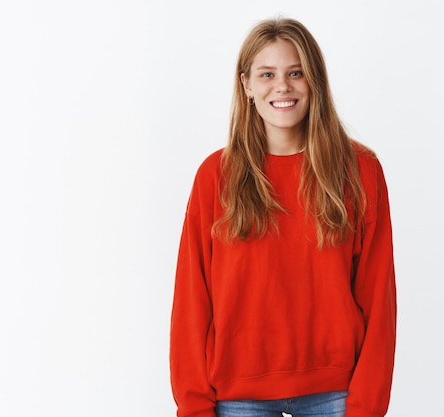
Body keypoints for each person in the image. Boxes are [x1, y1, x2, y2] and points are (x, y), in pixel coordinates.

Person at [169, 17, 396, 417]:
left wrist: (367, 406)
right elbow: (191, 301)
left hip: (337, 393)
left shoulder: (359, 170)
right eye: (267, 74)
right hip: (237, 395)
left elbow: (379, 299)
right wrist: (194, 407)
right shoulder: (214, 176)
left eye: (296, 73)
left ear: (315, 81)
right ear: (247, 86)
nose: (282, 86)